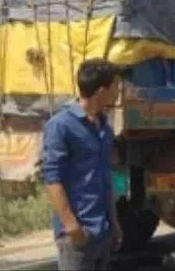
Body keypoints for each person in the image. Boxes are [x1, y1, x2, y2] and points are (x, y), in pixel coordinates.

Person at [42, 58, 124, 271]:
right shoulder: (61, 126)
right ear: (101, 92)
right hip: (78, 237)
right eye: (116, 87)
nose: (119, 92)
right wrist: (71, 226)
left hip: (103, 231)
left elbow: (106, 178)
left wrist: (113, 221)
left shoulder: (105, 127)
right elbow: (52, 180)